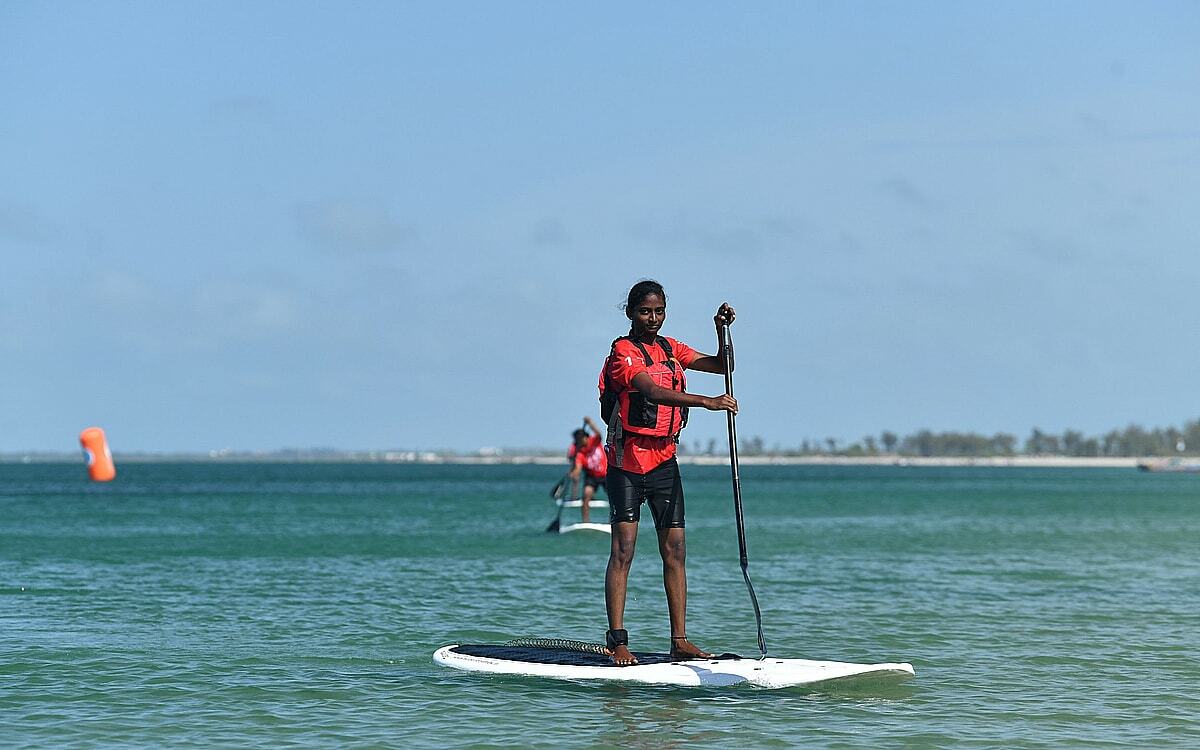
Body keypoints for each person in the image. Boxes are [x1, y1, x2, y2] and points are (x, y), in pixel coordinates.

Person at [598, 279, 737, 666]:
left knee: (675, 551)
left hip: (664, 463)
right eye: (645, 311)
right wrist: (706, 402)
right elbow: (652, 391)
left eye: (659, 311)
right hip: (626, 465)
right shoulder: (622, 353)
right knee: (623, 551)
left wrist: (720, 330)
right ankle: (617, 641)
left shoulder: (670, 348)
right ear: (630, 313)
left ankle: (680, 640)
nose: (653, 319)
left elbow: (723, 366)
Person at [567, 417, 607, 523]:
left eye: (579, 440)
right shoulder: (579, 453)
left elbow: (599, 433)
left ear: (585, 438)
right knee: (586, 496)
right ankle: (586, 521)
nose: (578, 443)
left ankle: (613, 522)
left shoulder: (594, 441)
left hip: (606, 474)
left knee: (614, 498)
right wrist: (573, 474)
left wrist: (590, 423)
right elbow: (578, 468)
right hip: (592, 477)